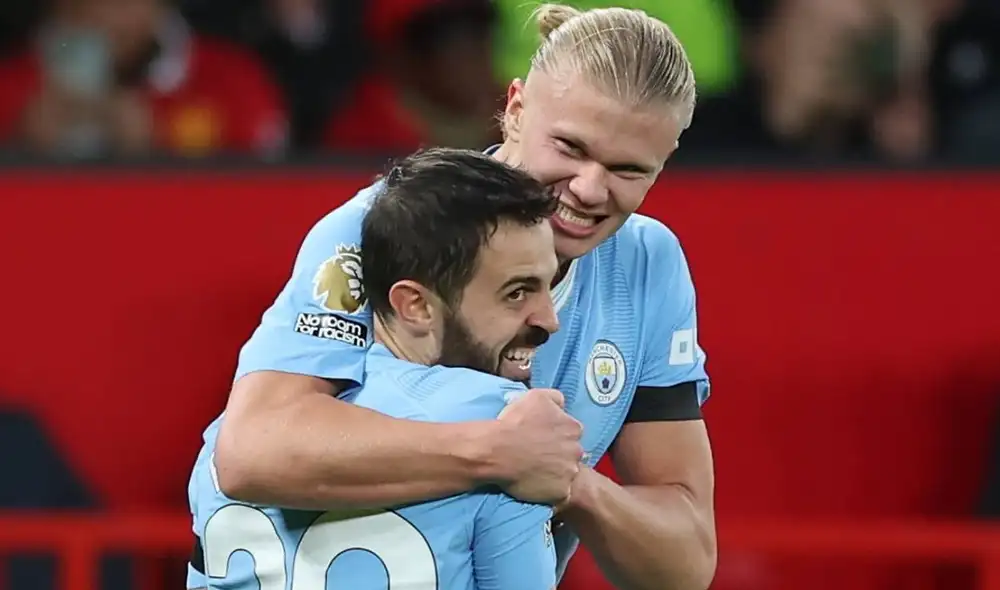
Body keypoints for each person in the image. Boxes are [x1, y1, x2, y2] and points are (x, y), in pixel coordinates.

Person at [194, 4, 716, 590]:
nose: (590, 189)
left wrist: (569, 480)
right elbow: (250, 452)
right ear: (515, 109)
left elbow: (686, 565)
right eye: (570, 148)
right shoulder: (385, 225)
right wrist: (497, 452)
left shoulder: (648, 265)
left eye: (628, 169)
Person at [189, 148, 561, 590]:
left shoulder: (223, 440)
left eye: (549, 286)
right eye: (517, 293)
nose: (549, 319)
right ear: (416, 305)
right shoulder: (506, 422)